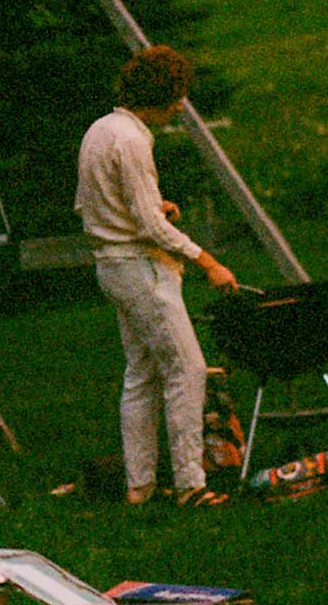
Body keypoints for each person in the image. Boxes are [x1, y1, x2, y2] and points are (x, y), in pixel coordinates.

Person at [75, 44, 240, 509]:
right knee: (186, 370)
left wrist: (154, 210)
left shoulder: (101, 130)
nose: (180, 106)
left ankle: (140, 486)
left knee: (142, 374)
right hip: (138, 267)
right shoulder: (131, 140)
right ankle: (191, 484)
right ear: (164, 95)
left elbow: (98, 204)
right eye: (178, 96)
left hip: (112, 263)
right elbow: (147, 226)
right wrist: (207, 262)